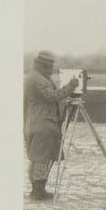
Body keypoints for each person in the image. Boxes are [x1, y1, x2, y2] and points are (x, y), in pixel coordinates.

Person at [23, 50, 78, 201]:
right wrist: (70, 86)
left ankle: (37, 189)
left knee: (37, 157)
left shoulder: (34, 77)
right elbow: (52, 96)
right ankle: (38, 191)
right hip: (42, 124)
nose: (51, 69)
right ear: (43, 66)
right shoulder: (38, 79)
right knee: (41, 158)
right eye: (49, 66)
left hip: (36, 123)